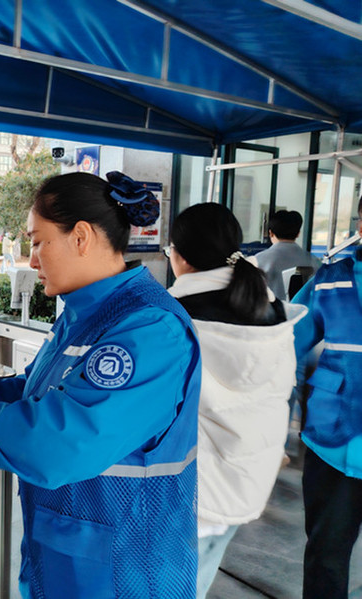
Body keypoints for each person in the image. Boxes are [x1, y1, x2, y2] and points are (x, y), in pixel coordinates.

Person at [0, 172, 202, 598]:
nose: (31, 261)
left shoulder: (149, 329)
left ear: (81, 237)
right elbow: (36, 390)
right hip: (69, 552)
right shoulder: (81, 315)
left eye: (36, 242)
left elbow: (61, 442)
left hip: (126, 568)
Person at [166, 203, 306, 598]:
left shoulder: (175, 317)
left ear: (180, 255)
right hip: (249, 479)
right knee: (197, 580)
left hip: (197, 492)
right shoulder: (271, 307)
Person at [291, 195, 362, 599]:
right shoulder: (332, 279)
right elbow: (286, 339)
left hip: (333, 438)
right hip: (333, 442)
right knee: (326, 556)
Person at [254, 209, 320, 300]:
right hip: (304, 312)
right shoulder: (314, 261)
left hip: (268, 312)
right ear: (298, 234)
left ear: (271, 233)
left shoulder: (258, 260)